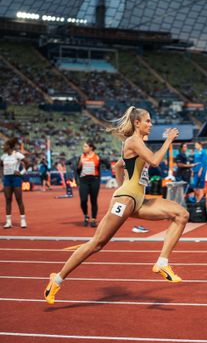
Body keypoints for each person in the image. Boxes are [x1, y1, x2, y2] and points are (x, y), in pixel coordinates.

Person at [44, 106, 189, 304]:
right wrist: (169, 140)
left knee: (181, 214)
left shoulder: (138, 143)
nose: (151, 124)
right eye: (148, 121)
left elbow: (118, 165)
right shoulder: (133, 141)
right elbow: (155, 161)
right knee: (97, 244)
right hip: (126, 199)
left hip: (137, 200)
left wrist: (123, 186)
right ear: (137, 123)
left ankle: (162, 263)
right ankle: (57, 279)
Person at [1, 138, 27, 229]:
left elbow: (27, 163)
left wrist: (21, 172)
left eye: (5, 145)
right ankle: (8, 222)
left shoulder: (17, 154)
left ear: (9, 146)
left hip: (16, 178)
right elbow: (0, 166)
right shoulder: (3, 156)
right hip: (7, 178)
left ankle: (23, 220)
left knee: (19, 199)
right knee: (8, 200)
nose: (3, 147)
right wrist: (2, 175)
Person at [77, 141, 101, 227]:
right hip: (83, 181)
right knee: (83, 200)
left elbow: (101, 168)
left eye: (85, 146)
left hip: (94, 180)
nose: (84, 148)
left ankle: (93, 219)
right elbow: (78, 169)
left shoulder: (97, 157)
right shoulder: (81, 156)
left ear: (90, 148)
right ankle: (86, 216)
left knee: (93, 200)